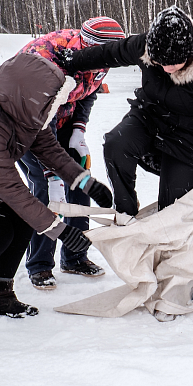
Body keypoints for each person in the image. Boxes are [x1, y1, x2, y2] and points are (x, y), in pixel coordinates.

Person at [0, 52, 112, 318]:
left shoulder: (28, 106)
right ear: (27, 94)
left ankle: (0, 293)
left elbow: (49, 149)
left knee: (21, 222)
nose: (52, 109)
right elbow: (7, 185)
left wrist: (85, 181)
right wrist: (60, 230)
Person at [56, 5, 193, 220]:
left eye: (175, 64)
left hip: (190, 138)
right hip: (148, 117)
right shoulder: (146, 46)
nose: (167, 69)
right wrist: (73, 61)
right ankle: (125, 212)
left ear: (189, 54)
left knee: (171, 212)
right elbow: (111, 52)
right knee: (116, 144)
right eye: (161, 63)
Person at [18, 17, 125, 290]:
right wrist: (53, 171)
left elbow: (89, 91)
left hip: (62, 121)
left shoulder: (103, 56)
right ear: (89, 46)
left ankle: (75, 256)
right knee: (46, 186)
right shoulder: (45, 57)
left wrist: (78, 130)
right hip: (25, 125)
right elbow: (42, 114)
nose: (105, 66)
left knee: (80, 178)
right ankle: (40, 264)